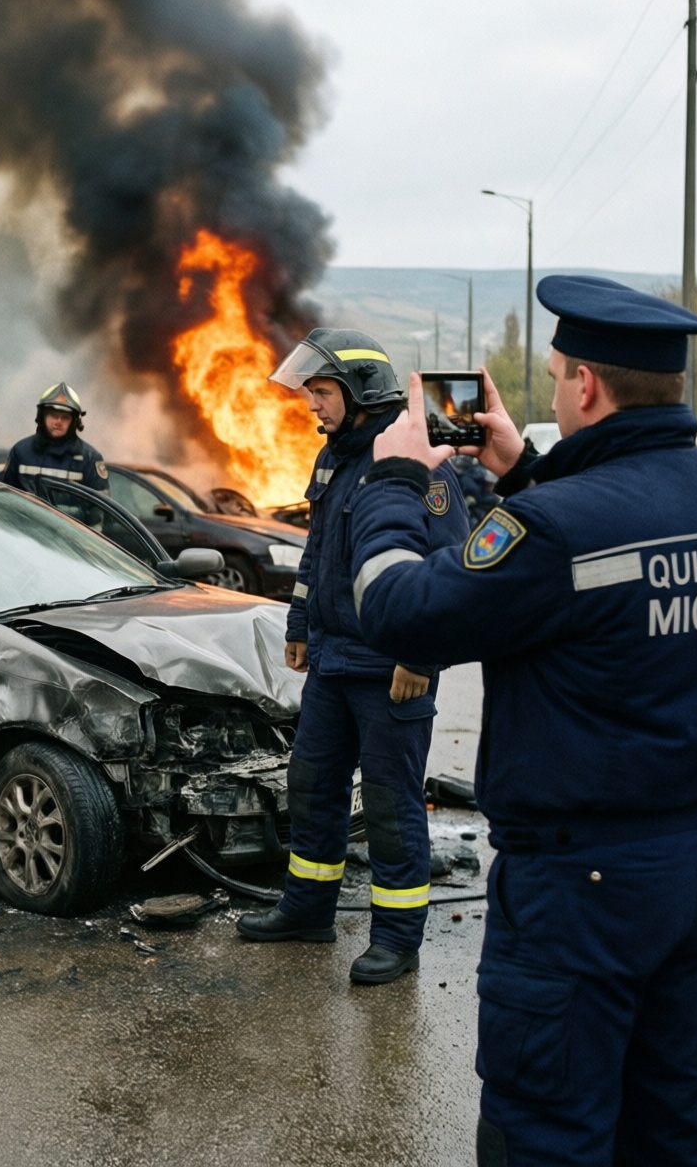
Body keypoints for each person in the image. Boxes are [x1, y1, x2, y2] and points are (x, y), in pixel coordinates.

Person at [349, 275, 697, 1164]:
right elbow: (618, 567)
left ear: (583, 387)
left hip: (583, 890)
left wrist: (393, 483)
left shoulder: (556, 530)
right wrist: (521, 471)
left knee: (549, 1134)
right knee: (674, 1118)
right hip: (694, 868)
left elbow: (400, 612)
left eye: (561, 369)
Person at [235, 328, 467, 987]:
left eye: (322, 390)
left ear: (362, 390)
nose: (312, 403)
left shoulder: (421, 458)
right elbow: (316, 554)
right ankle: (307, 910)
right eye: (309, 391)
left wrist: (420, 656)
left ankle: (397, 938)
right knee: (312, 788)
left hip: (393, 669)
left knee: (392, 808)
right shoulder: (333, 457)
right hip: (334, 662)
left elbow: (448, 567)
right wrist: (301, 621)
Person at [0, 382, 109, 499]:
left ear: (75, 422)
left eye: (65, 417)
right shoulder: (21, 451)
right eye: (53, 415)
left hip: (68, 518)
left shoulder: (89, 458)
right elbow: (3, 498)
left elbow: (99, 511)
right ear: (42, 416)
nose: (58, 421)